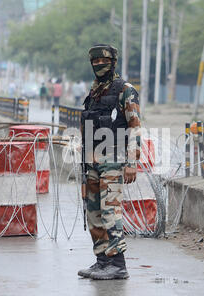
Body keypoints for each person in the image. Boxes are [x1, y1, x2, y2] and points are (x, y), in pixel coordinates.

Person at [78, 44, 141, 280]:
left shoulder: (125, 90)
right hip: (92, 161)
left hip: (114, 161)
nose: (98, 66)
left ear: (113, 62)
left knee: (110, 210)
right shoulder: (94, 94)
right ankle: (102, 260)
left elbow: (135, 127)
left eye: (102, 61)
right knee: (93, 212)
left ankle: (118, 264)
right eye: (94, 63)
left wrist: (132, 161)